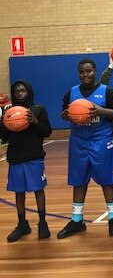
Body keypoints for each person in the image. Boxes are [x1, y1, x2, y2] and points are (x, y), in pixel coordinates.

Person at [57, 59, 113, 239]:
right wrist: (71, 112)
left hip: (102, 139)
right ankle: (77, 220)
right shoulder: (71, 93)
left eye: (89, 71)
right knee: (79, 180)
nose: (85, 75)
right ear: (78, 73)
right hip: (79, 141)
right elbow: (63, 114)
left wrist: (100, 111)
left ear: (95, 71)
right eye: (82, 72)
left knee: (107, 180)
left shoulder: (107, 92)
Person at [1, 80, 52, 242]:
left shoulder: (38, 109)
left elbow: (47, 132)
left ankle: (42, 222)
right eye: (16, 91)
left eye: (23, 90)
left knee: (38, 190)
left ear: (29, 92)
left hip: (34, 157)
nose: (20, 94)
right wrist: (3, 122)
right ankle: (22, 224)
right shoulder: (9, 112)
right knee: (19, 191)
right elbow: (4, 137)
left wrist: (35, 122)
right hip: (15, 157)